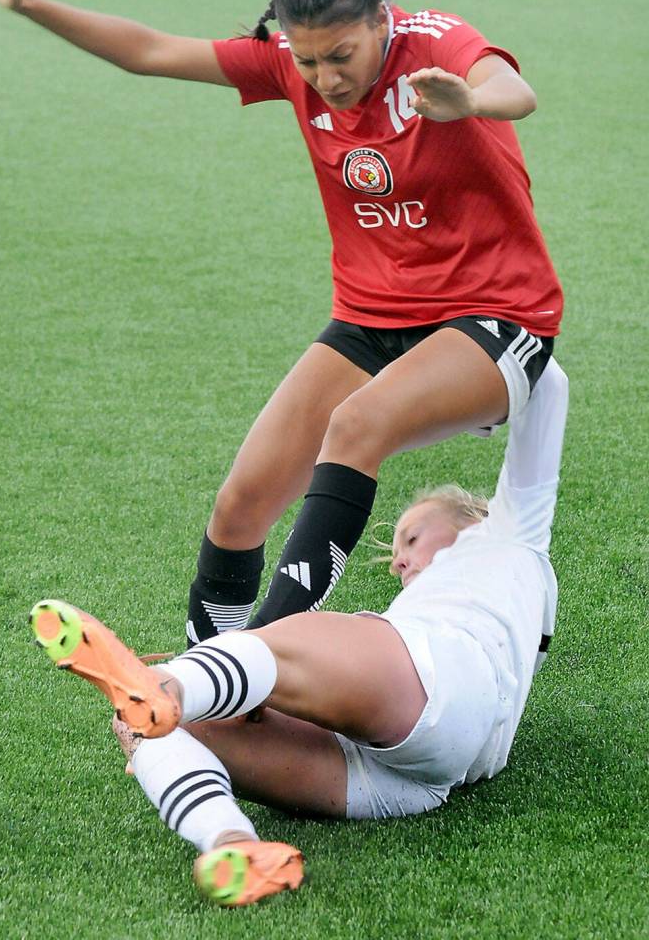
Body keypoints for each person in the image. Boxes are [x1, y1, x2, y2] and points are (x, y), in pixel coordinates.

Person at [0, 0, 564, 648]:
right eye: (308, 62)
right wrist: (28, 3)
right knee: (240, 504)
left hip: (498, 317)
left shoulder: (435, 42)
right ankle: (206, 664)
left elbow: (514, 89)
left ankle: (254, 665)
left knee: (354, 426)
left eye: (341, 55)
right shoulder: (286, 63)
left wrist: (471, 101)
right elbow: (150, 52)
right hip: (373, 318)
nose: (326, 79)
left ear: (380, 21)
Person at [28, 356, 568, 906]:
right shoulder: (505, 616)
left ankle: (172, 684)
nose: (397, 562)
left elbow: (546, 380)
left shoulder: (513, 531)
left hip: (443, 681)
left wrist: (468, 370)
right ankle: (229, 841)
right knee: (153, 727)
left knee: (272, 653)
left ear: (474, 519)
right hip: (415, 783)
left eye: (410, 537)